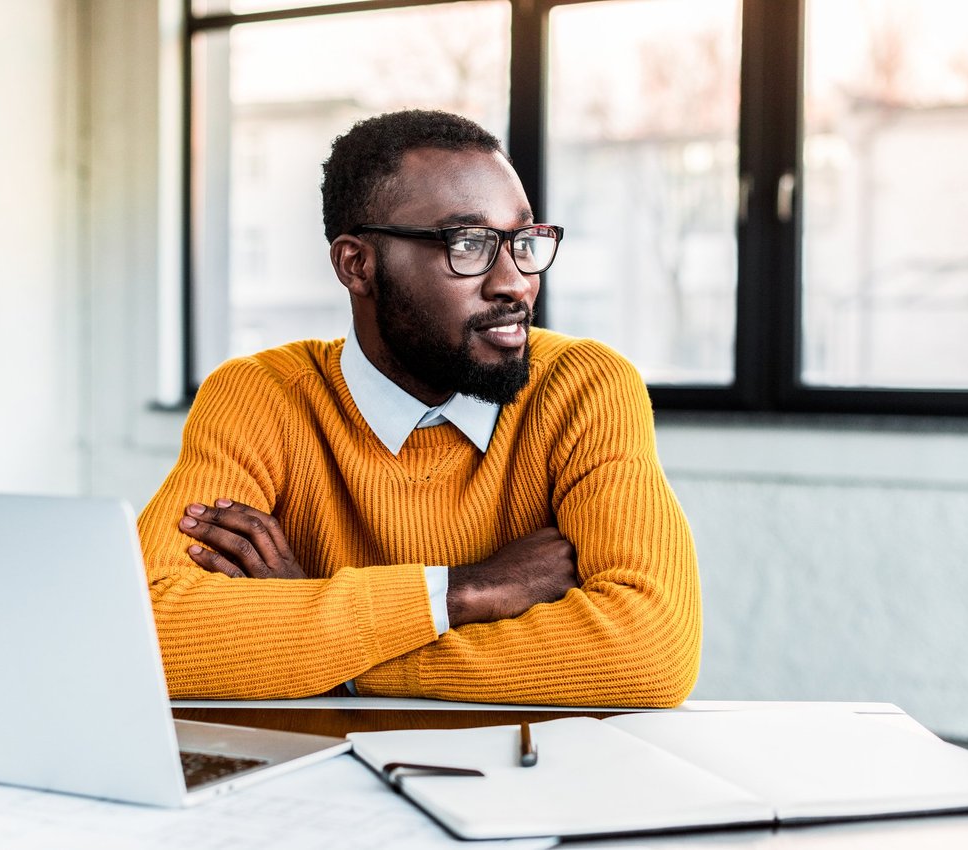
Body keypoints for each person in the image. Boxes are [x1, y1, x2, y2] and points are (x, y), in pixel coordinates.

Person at [137, 109, 701, 706]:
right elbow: (143, 625)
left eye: (524, 241)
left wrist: (329, 654)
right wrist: (464, 591)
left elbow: (650, 649)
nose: (515, 283)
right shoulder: (262, 396)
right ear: (357, 264)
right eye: (470, 243)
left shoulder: (584, 388)